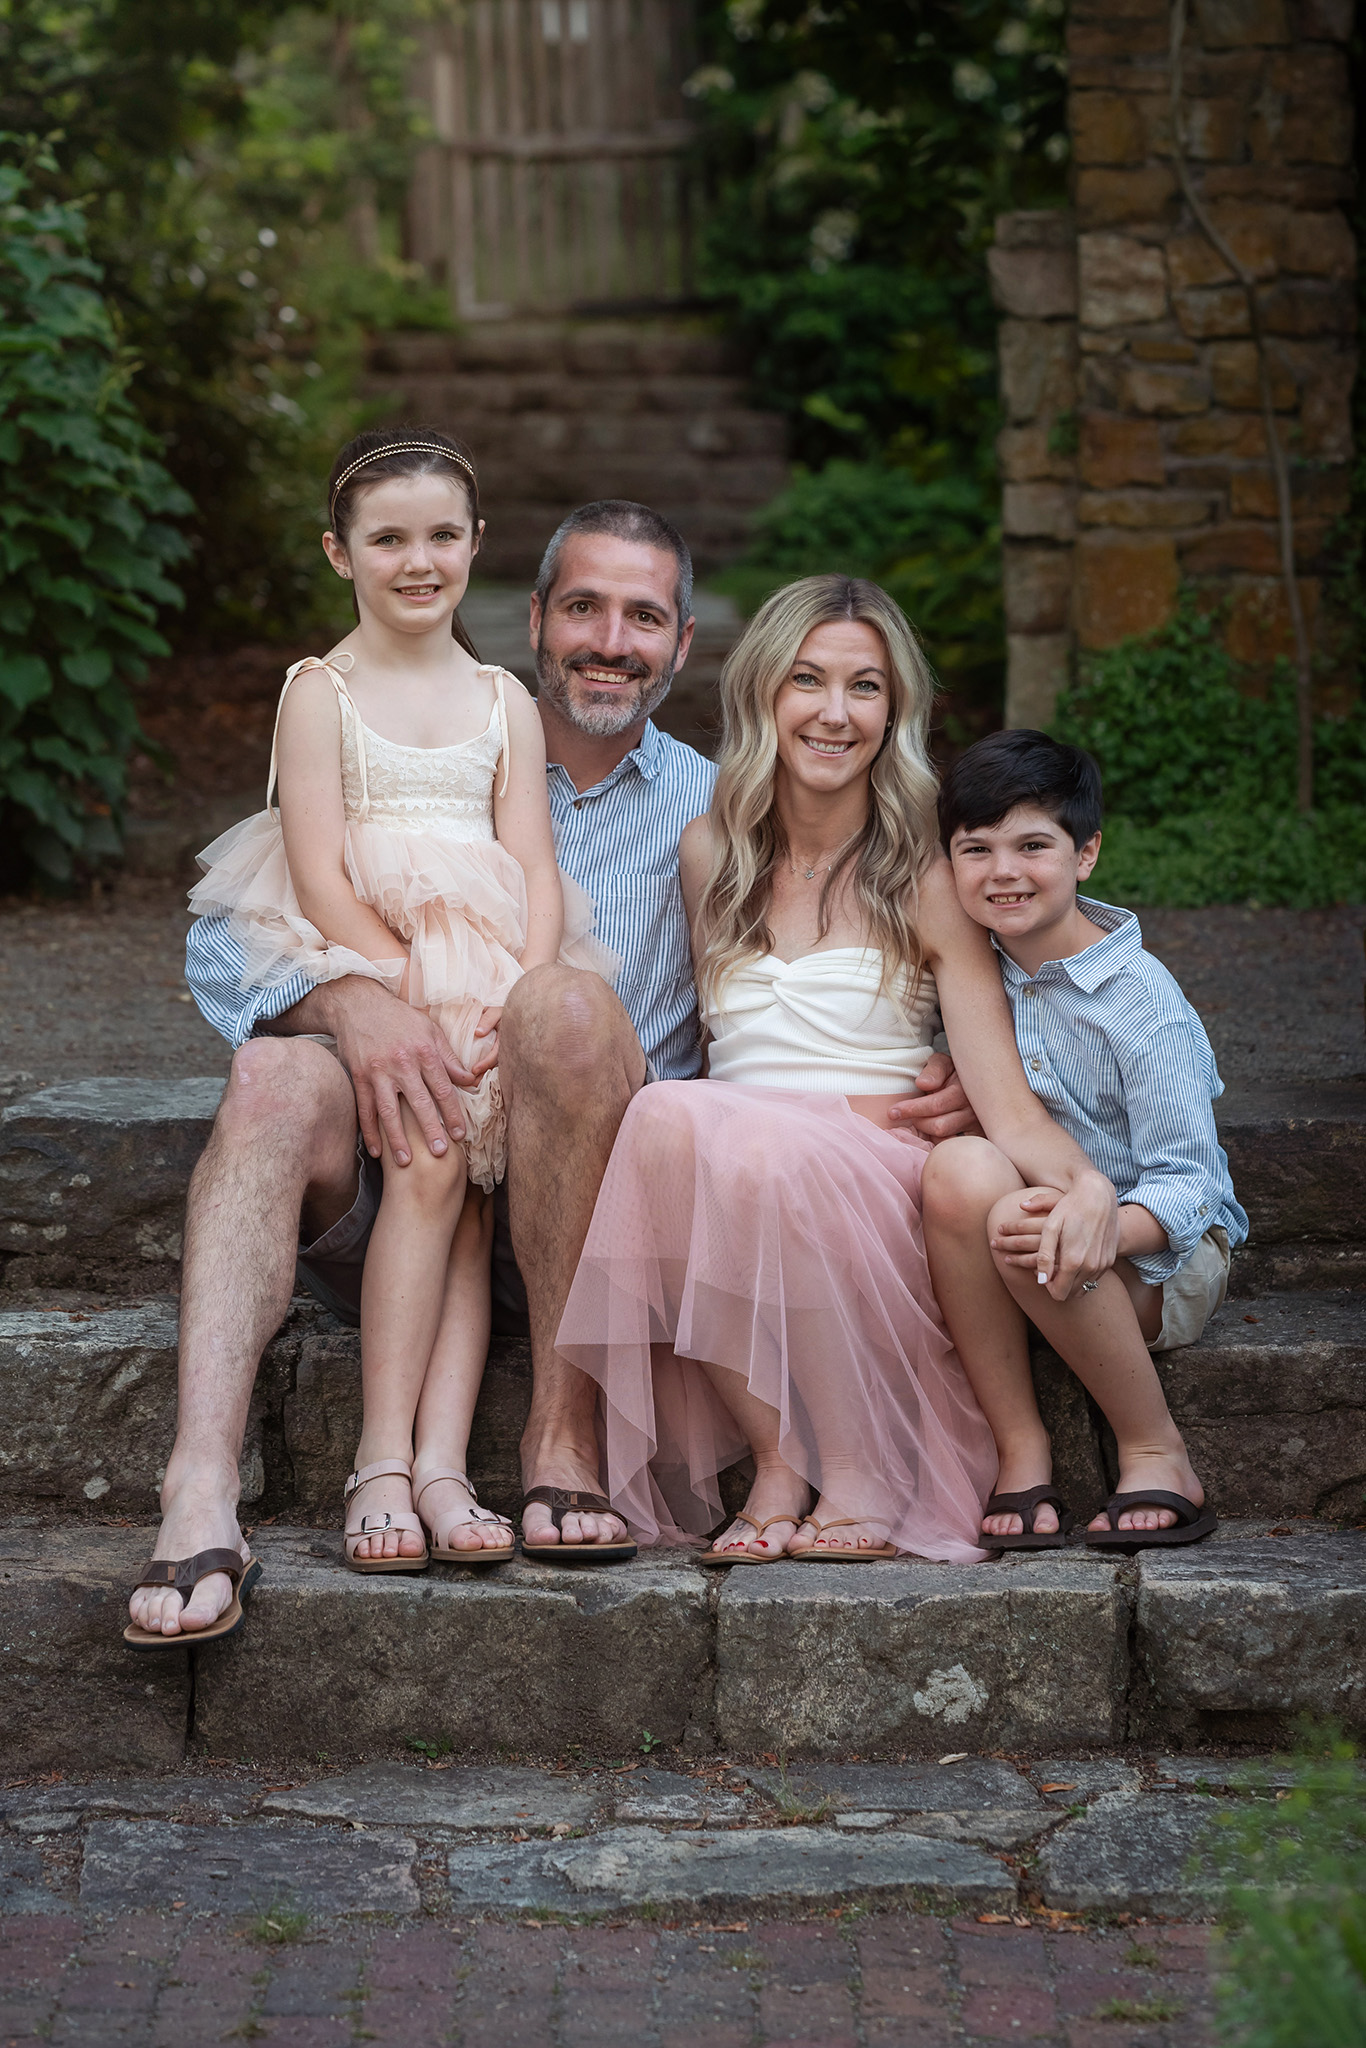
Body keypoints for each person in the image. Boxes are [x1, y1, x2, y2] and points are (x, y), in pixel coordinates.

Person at [124, 486, 978, 1641]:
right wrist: (350, 999)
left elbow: (936, 906)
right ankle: (199, 1490)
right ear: (533, 619)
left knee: (565, 1006)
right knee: (271, 1074)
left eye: (642, 616)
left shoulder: (723, 807)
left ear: (684, 642)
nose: (610, 641)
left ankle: (561, 1435)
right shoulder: (428, 733)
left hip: (602, 1209)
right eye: (583, 607)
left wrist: (979, 1048)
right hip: (403, 1167)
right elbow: (223, 940)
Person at [554, 577, 1122, 1564]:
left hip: (876, 1181)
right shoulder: (709, 852)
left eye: (864, 686)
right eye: (806, 680)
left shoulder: (926, 873)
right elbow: (705, 1054)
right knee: (671, 1117)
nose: (832, 711)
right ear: (763, 695)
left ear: (894, 710)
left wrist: (1081, 1180)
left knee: (703, 1126)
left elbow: (1002, 1097)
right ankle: (779, 1460)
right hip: (741, 1176)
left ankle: (855, 1467)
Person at [181, 430, 615, 1583]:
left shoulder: (502, 702)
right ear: (340, 553)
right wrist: (406, 993)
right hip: (384, 959)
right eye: (387, 538)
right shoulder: (319, 692)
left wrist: (515, 996)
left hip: (491, 977)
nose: (416, 560)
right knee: (428, 1168)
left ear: (475, 545)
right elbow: (319, 873)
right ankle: (386, 1457)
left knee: (471, 1198)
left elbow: (531, 866)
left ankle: (437, 1463)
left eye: (440, 535)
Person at [922, 729, 1246, 1550]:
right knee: (965, 1172)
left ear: (1086, 854)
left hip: (1162, 1254)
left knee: (1026, 1221)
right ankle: (1017, 1449)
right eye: (976, 848)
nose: (1003, 872)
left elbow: (1189, 1182)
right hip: (1039, 1231)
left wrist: (1106, 1225)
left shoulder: (1142, 1001)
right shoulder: (974, 976)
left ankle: (1154, 1449)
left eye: (1033, 845)